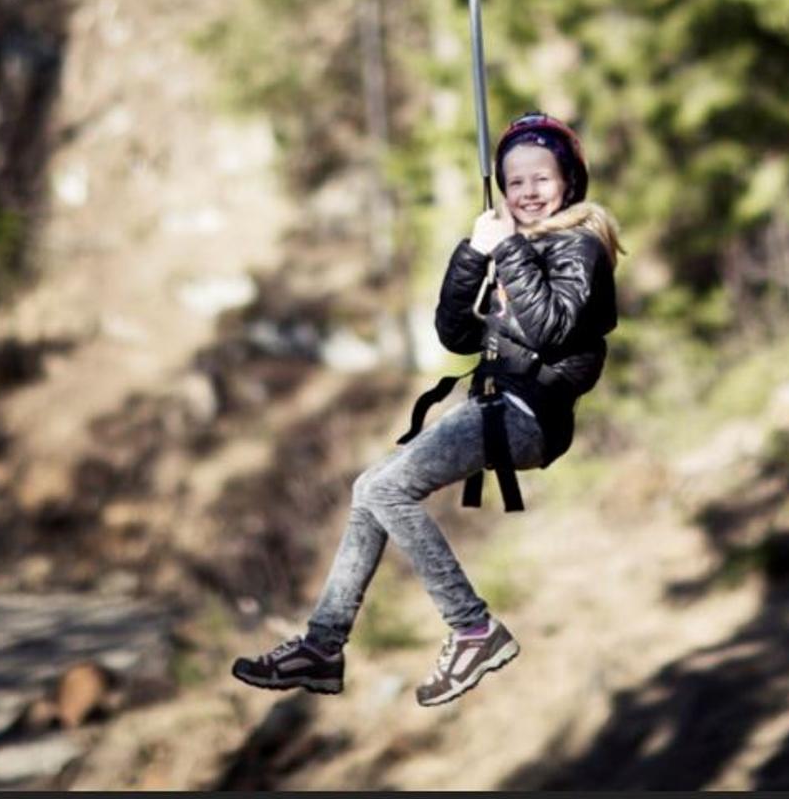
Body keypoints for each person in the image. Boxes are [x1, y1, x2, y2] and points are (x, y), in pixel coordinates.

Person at [232, 112, 623, 708]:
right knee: (371, 488)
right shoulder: (514, 244)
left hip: (528, 411)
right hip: (495, 401)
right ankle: (324, 643)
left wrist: (511, 248)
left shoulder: (580, 244)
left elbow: (550, 327)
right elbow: (456, 336)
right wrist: (473, 253)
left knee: (389, 491)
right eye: (514, 183)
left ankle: (473, 629)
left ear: (569, 181)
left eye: (541, 178)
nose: (528, 193)